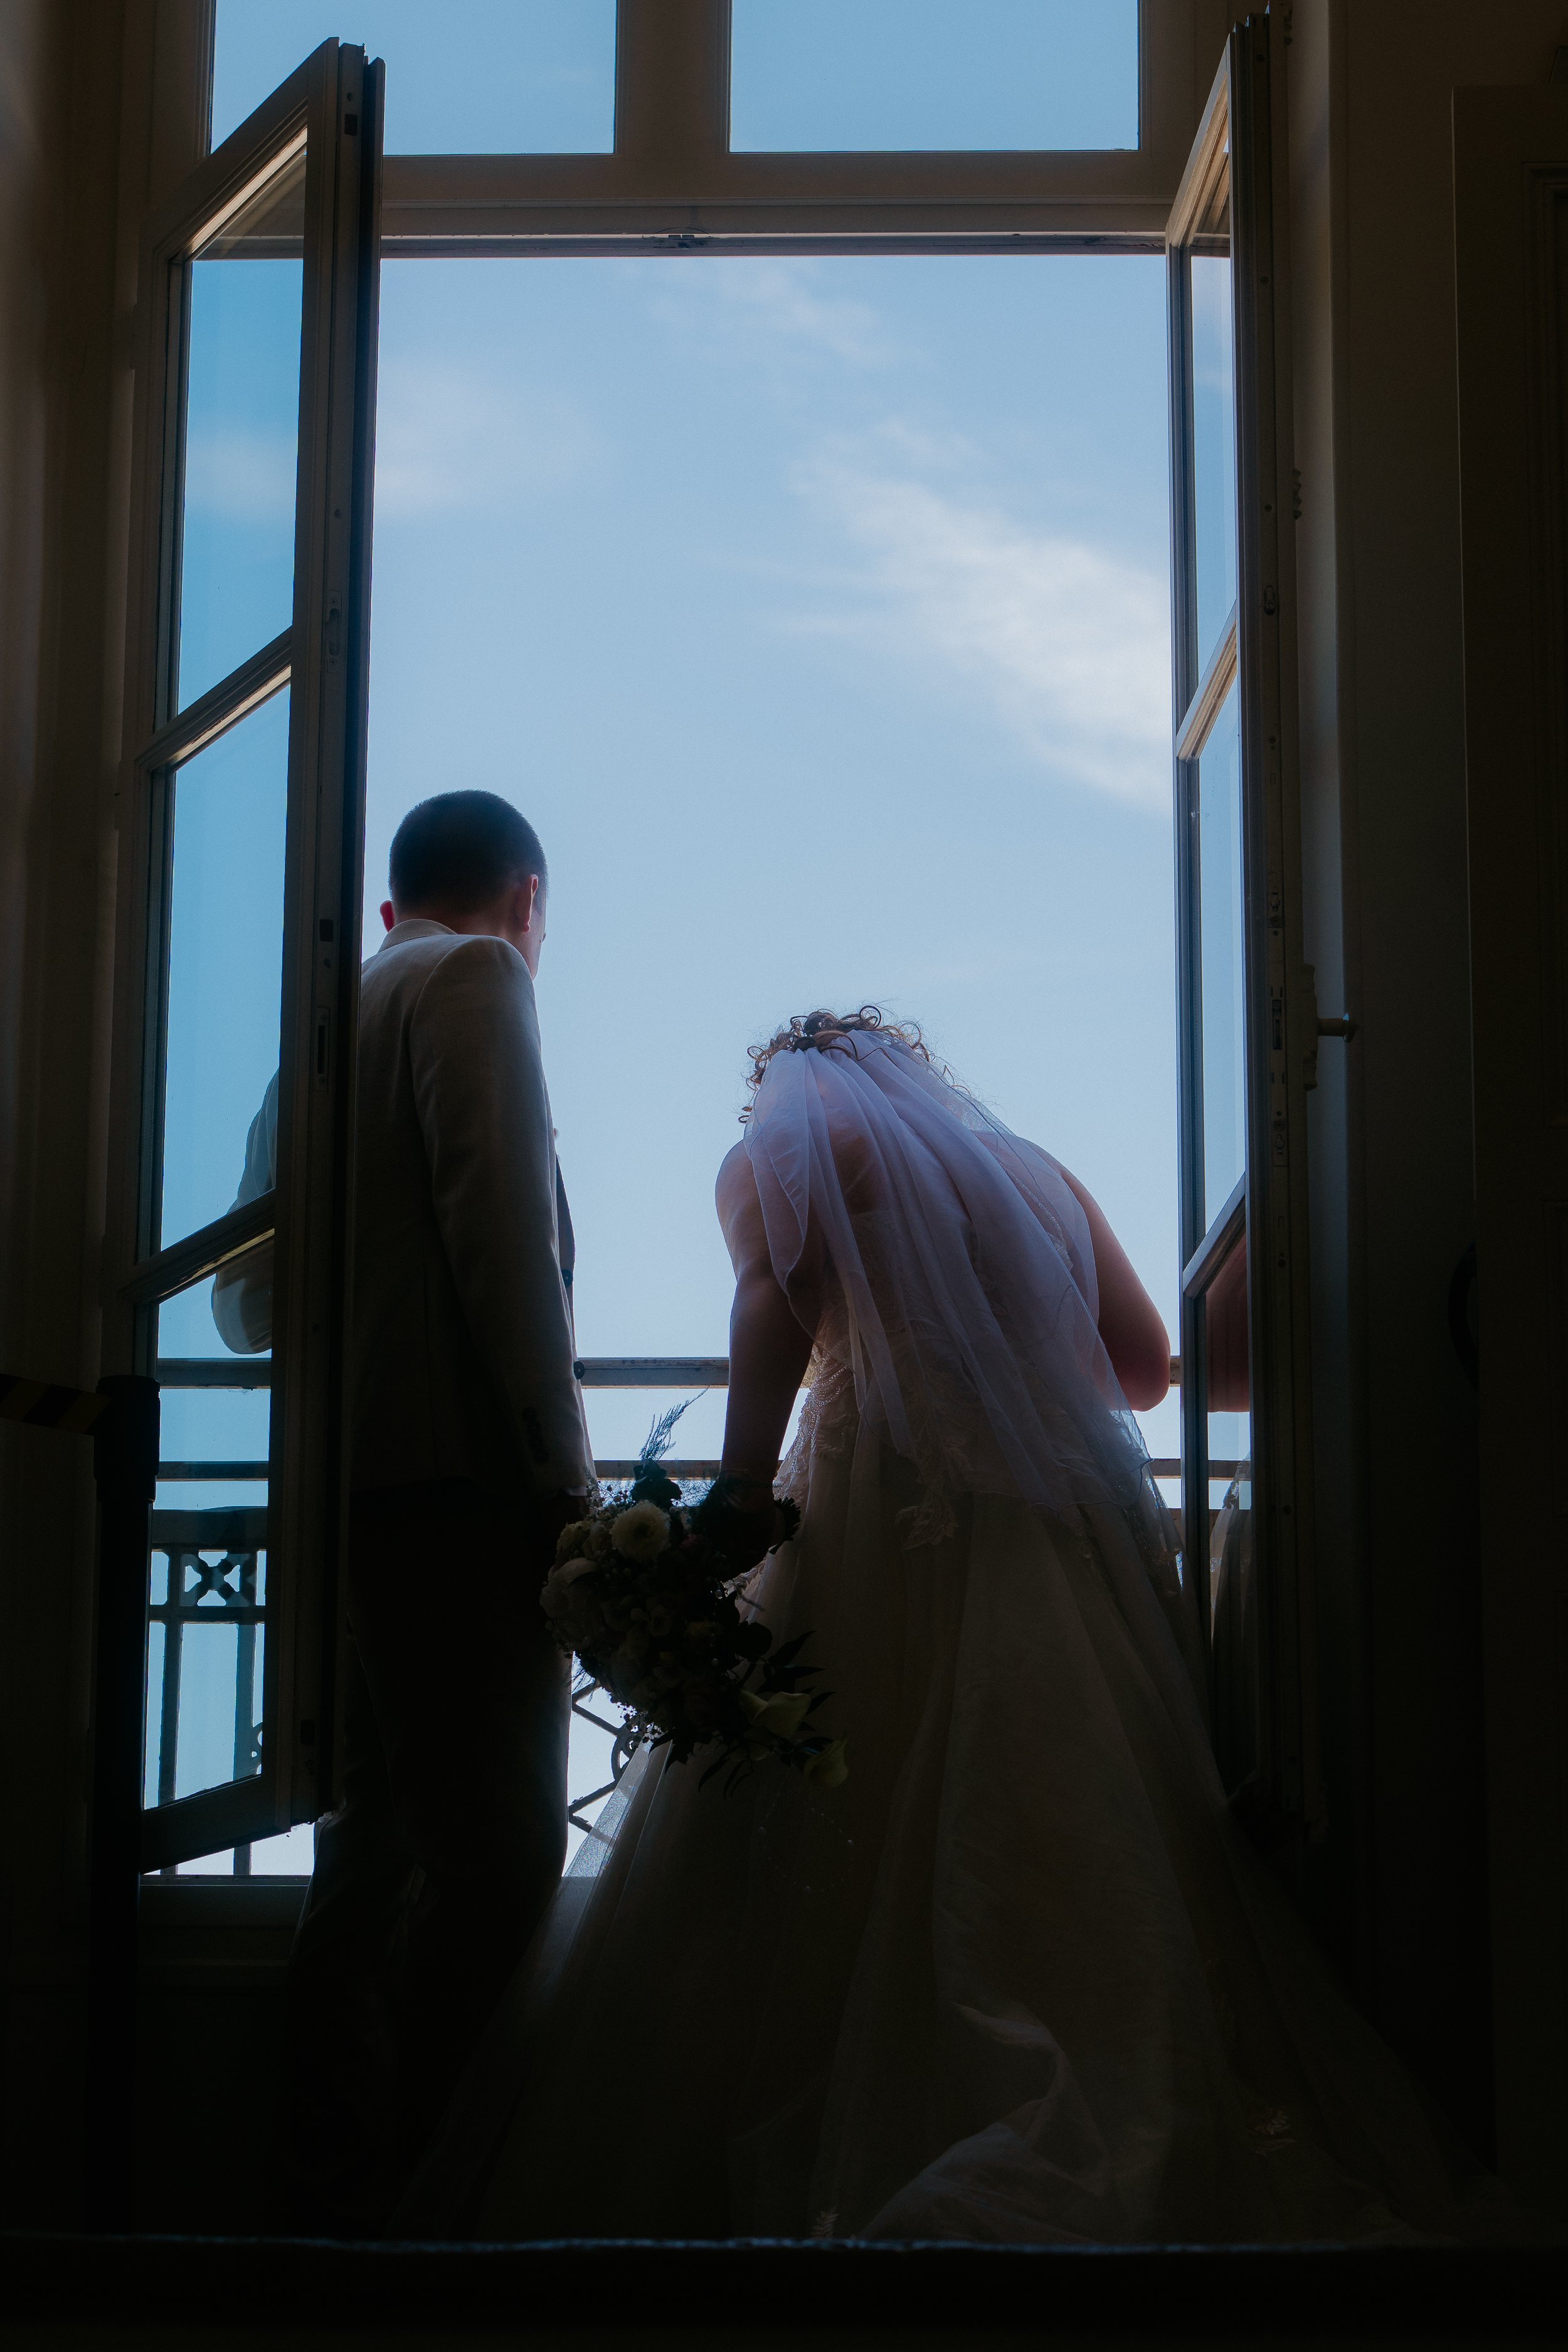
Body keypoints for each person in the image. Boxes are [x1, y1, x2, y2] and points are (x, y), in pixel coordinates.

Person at [400, 1007, 1511, 2245]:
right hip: (1066, 1528)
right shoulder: (1033, 1172)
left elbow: (774, 1295)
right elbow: (1143, 1371)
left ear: (777, 1088)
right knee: (1075, 1817)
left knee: (843, 1806)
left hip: (884, 1502)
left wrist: (734, 1492)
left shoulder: (780, 1145)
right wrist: (1005, 1363)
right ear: (916, 1075)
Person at [218, 789, 594, 2233]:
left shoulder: (322, 1026)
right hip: (457, 1495)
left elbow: (245, 1308)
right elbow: (501, 1235)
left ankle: (324, 2206)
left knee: (363, 1869)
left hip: (338, 1510)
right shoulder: (477, 978)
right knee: (501, 1864)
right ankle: (452, 2213)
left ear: (386, 907)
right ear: (526, 901)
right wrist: (558, 1481)